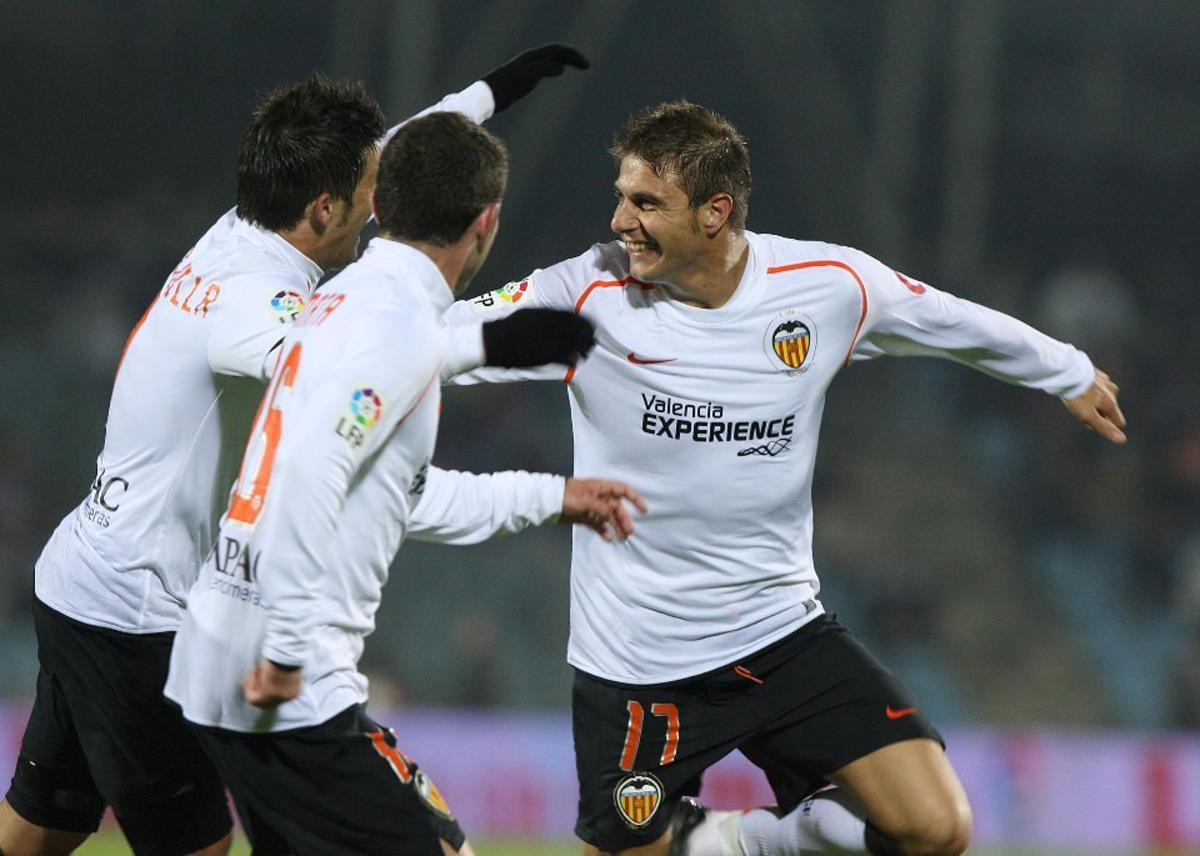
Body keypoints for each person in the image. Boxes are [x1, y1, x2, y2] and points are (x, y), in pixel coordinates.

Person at [441, 101, 1128, 856]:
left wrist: (1064, 370)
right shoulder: (583, 293)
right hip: (637, 664)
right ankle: (713, 841)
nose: (619, 220)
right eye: (620, 196)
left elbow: (947, 320)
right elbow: (439, 339)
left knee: (937, 828)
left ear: (716, 212)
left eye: (645, 202)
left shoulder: (824, 285)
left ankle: (746, 842)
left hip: (780, 635)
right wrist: (309, 343)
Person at [0, 47, 593, 856]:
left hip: (87, 581)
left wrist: (497, 89)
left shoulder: (248, 223)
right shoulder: (254, 304)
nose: (381, 203)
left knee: (39, 831)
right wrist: (504, 332)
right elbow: (354, 362)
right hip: (138, 614)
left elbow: (403, 156)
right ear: (324, 209)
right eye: (366, 198)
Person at [164, 109, 642, 855]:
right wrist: (289, 652)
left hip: (223, 654)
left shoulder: (351, 301)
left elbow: (400, 494)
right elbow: (306, 473)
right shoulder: (393, 325)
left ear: (381, 203)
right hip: (289, 679)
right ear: (486, 222)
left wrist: (555, 497)